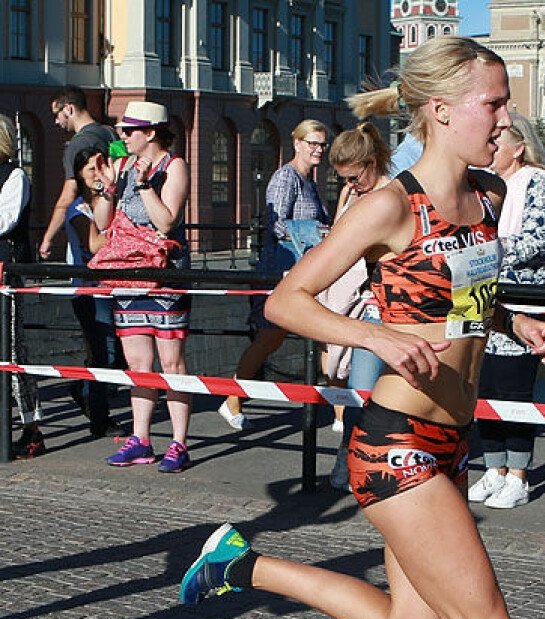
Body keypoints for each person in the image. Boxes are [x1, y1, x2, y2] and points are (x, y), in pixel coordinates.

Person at [180, 36, 545, 619]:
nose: (506, 117)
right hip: (393, 445)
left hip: (449, 442)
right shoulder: (390, 207)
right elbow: (288, 299)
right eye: (493, 103)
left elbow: (468, 299)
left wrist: (520, 325)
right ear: (440, 110)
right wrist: (372, 334)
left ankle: (242, 564)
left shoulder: (486, 193)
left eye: (505, 103)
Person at [91, 101, 193, 472]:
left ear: (150, 132)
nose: (122, 136)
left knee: (171, 362)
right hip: (130, 274)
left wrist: (144, 185)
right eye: (121, 130)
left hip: (166, 275)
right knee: (137, 362)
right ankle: (141, 438)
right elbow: (104, 224)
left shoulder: (174, 166)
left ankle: (179, 443)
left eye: (129, 131)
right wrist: (105, 190)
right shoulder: (122, 165)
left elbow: (166, 223)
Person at [468, 113, 545, 509]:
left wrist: (490, 255)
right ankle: (493, 469)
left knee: (514, 391)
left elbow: (539, 237)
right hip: (485, 299)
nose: (490, 149)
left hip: (524, 299)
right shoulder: (482, 183)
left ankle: (519, 475)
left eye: (497, 142)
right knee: (485, 387)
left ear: (518, 148)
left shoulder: (534, 181)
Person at [220, 120, 331, 430]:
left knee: (322, 338)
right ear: (296, 144)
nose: (318, 149)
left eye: (322, 144)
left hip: (305, 272)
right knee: (269, 339)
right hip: (282, 271)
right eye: (312, 143)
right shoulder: (286, 178)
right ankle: (232, 398)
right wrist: (309, 241)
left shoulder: (309, 180)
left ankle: (340, 413)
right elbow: (277, 224)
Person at [323, 122, 393, 491]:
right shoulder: (350, 195)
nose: (349, 184)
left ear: (371, 163)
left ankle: (382, 464)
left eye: (353, 176)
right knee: (358, 391)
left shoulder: (394, 194)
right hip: (362, 307)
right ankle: (348, 458)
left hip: (392, 307)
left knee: (397, 396)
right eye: (342, 179)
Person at [65, 147, 124, 439]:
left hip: (113, 287)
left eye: (101, 166)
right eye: (91, 169)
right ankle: (98, 418)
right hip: (88, 291)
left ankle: (82, 387)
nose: (97, 173)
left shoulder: (111, 201)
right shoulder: (77, 209)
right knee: (105, 354)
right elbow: (94, 244)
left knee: (117, 354)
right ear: (79, 174)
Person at [0, 114, 44, 459]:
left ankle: (31, 427)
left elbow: (6, 221)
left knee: (14, 350)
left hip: (6, 273)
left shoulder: (15, 176)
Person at [39, 86, 117, 261]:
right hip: (113, 212)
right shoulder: (110, 132)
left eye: (57, 114)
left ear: (68, 108)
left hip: (91, 222)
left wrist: (48, 238)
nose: (56, 121)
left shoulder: (77, 144)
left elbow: (69, 193)